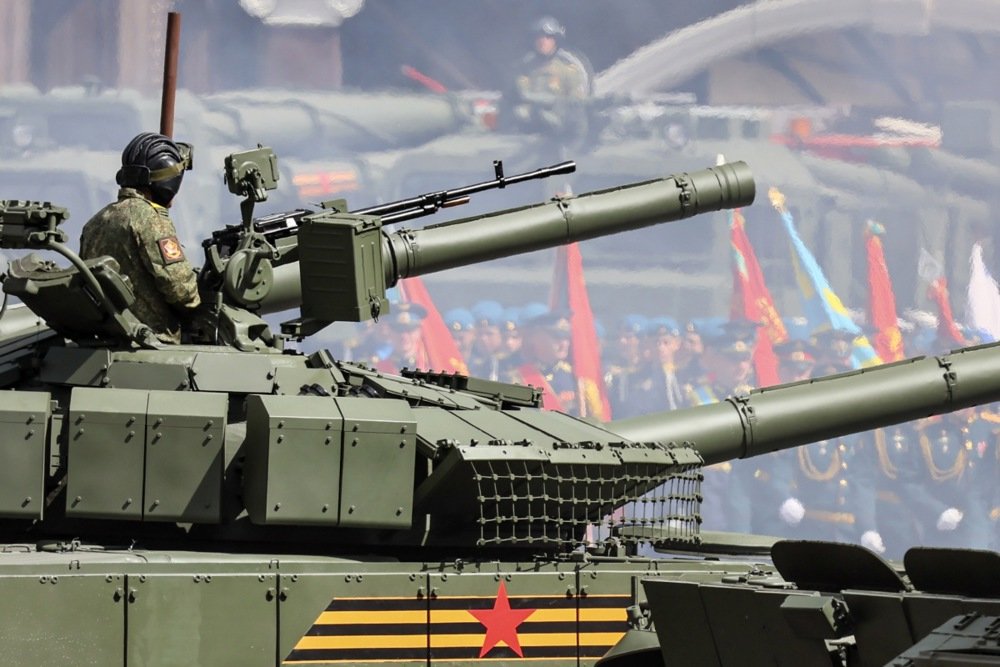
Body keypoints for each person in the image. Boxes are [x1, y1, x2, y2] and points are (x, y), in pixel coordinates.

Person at [79, 132, 200, 344]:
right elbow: (182, 291)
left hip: (109, 337)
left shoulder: (96, 221)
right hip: (152, 341)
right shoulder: (150, 219)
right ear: (169, 182)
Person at [506, 16, 592, 146]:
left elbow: (576, 102)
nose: (542, 41)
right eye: (539, 37)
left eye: (548, 37)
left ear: (555, 40)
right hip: (531, 130)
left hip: (562, 129)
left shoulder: (567, 68)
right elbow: (521, 95)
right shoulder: (526, 67)